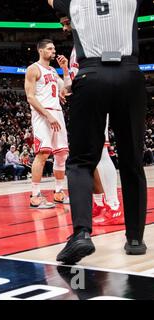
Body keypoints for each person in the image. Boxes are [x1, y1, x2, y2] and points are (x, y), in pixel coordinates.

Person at [48, 0, 148, 263]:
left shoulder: (72, 1)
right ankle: (136, 239)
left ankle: (81, 233)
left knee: (80, 162)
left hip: (90, 75)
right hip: (129, 74)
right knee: (132, 162)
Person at [58, 13, 123, 227]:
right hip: (84, 100)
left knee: (101, 151)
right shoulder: (77, 46)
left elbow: (118, 57)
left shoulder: (95, 37)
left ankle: (113, 206)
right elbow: (75, 80)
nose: (64, 29)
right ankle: (100, 203)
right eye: (62, 25)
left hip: (98, 96)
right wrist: (67, 85)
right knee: (91, 154)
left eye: (66, 23)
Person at [24, 39, 70, 209]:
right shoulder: (33, 69)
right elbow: (30, 97)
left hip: (57, 113)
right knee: (43, 153)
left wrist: (65, 69)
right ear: (40, 50)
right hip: (43, 114)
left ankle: (58, 192)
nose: (53, 51)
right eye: (50, 48)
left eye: (54, 48)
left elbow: (67, 89)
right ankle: (35, 196)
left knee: (61, 154)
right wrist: (48, 115)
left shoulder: (52, 70)